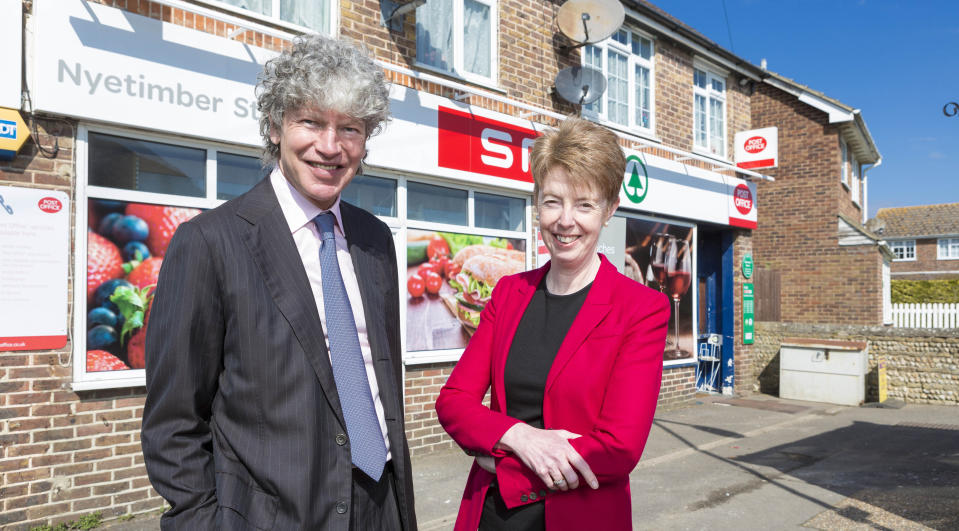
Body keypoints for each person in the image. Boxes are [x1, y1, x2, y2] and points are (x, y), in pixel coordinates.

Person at [141, 34, 416, 531]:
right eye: (310, 121)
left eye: (349, 128)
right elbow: (174, 422)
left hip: (382, 505)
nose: (329, 147)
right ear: (274, 126)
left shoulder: (375, 240)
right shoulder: (208, 243)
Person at [435, 117, 670, 530]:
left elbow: (617, 450)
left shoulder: (641, 309)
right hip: (490, 518)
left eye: (584, 204)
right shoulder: (509, 293)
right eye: (552, 201)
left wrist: (497, 459)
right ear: (536, 203)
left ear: (610, 209)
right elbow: (453, 402)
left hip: (581, 518)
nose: (565, 221)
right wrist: (522, 437)